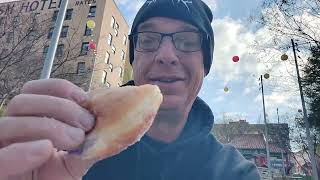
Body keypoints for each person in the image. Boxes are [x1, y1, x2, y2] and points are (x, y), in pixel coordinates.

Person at [0, 0, 260, 179]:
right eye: (148, 39)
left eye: (187, 40)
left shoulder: (235, 173)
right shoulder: (67, 148)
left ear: (205, 64)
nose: (166, 55)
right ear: (134, 60)